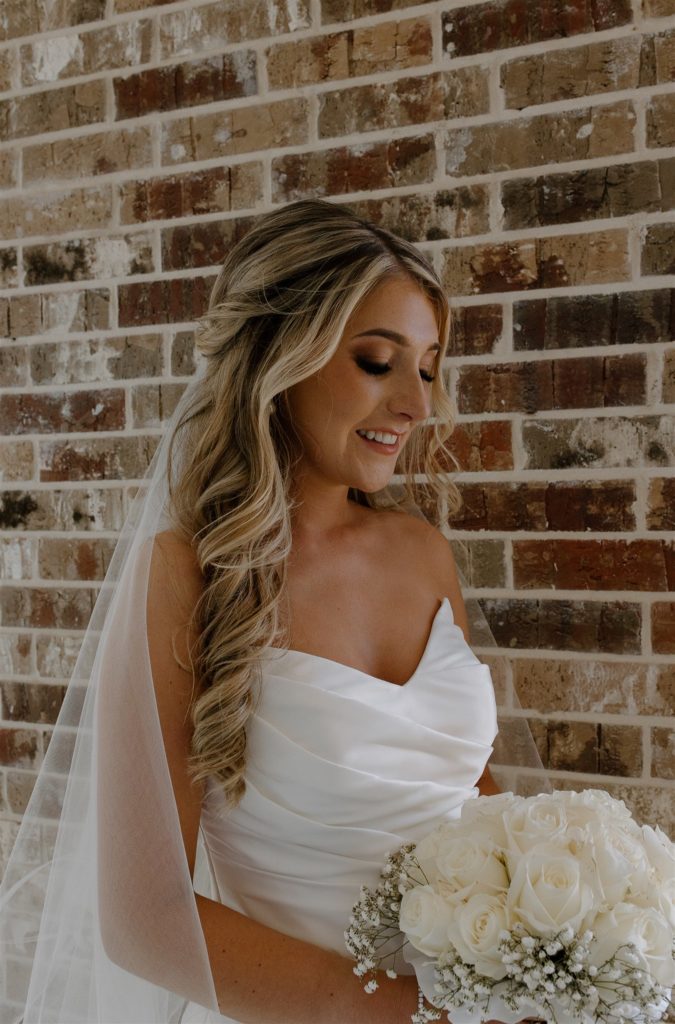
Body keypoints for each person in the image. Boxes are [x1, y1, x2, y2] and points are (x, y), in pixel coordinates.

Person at [0, 199, 539, 1024]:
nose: (415, 405)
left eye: (426, 368)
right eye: (374, 361)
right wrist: (408, 1015)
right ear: (278, 356)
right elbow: (143, 923)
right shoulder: (187, 577)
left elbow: (463, 791)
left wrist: (569, 925)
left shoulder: (421, 552)